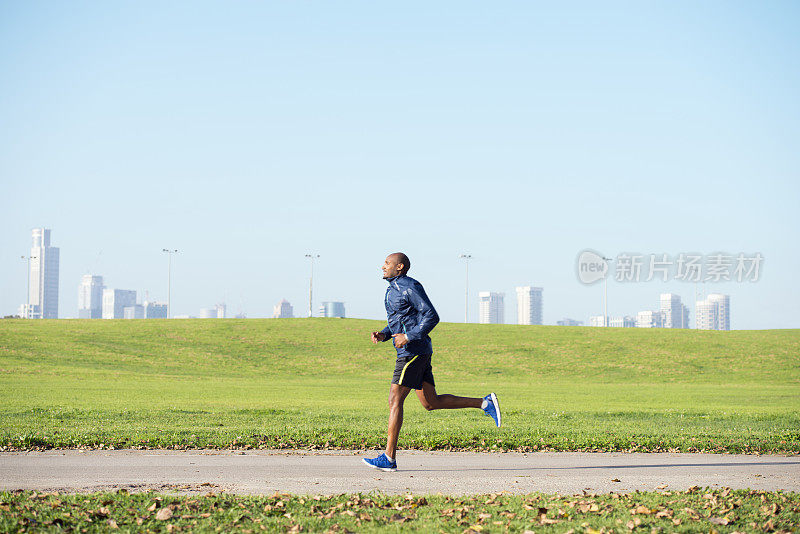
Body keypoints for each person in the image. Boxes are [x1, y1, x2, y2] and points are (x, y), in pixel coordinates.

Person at [363, 252, 501, 472]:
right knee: (430, 403)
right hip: (417, 350)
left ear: (400, 267)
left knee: (394, 399)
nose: (383, 267)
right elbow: (403, 319)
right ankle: (485, 403)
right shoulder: (394, 288)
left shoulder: (409, 286)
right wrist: (385, 334)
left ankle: (388, 458)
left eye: (387, 263)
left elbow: (431, 316)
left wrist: (408, 337)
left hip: (412, 351)